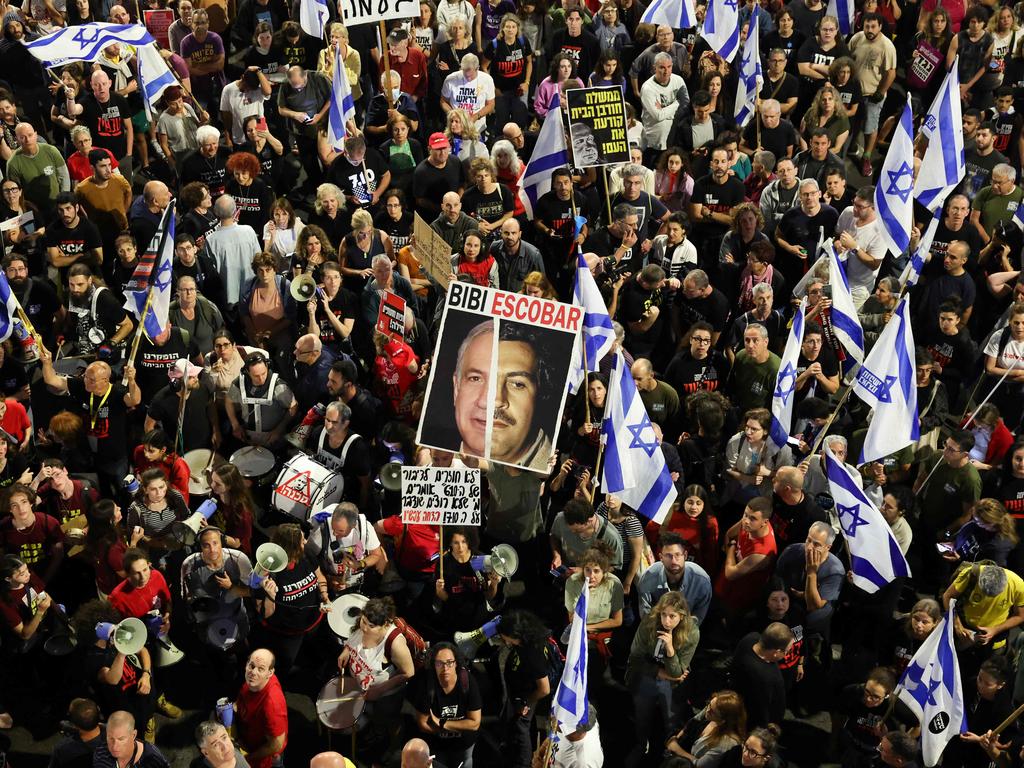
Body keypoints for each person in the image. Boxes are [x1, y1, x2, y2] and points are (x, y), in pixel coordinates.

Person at [626, 592, 700, 765]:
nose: (667, 621)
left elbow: (676, 672)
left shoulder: (692, 633)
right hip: (646, 672)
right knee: (642, 714)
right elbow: (635, 657)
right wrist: (661, 673)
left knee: (671, 719)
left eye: (672, 616)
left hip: (672, 683)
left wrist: (670, 648)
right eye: (664, 615)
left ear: (681, 616)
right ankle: (641, 744)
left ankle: (670, 752)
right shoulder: (650, 623)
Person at [412, 642, 483, 768]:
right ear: (433, 665)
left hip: (464, 745)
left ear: (456, 663)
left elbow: (475, 723)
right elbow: (422, 723)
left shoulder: (467, 682)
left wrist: (442, 724)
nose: (445, 668)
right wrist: (447, 730)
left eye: (449, 662)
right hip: (437, 747)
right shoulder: (426, 685)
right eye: (439, 663)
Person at [234, 649, 288, 768]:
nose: (253, 672)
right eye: (251, 666)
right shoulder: (254, 682)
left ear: (270, 673)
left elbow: (276, 745)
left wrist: (249, 757)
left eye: (261, 669)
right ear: (246, 665)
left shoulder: (272, 704)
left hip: (265, 757)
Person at [92, 711, 170, 768]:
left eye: (121, 739)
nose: (114, 746)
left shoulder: (152, 757)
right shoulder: (100, 753)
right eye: (110, 738)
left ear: (133, 735)